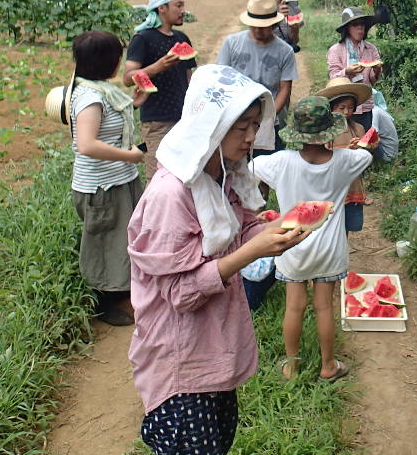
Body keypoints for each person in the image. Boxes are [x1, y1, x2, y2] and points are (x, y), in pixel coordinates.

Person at [127, 64, 306, 455]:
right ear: (210, 124)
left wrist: (280, 232)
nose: (250, 136)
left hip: (213, 350)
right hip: (182, 366)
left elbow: (240, 231)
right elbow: (180, 294)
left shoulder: (220, 175)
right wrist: (250, 252)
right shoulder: (170, 197)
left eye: (256, 125)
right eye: (240, 126)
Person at [253, 96, 372, 382]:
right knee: (324, 307)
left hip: (292, 246)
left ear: (296, 133)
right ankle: (328, 365)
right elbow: (367, 155)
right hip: (329, 250)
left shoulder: (281, 162)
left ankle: (292, 366)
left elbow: (253, 166)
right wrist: (352, 145)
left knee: (294, 307)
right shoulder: (345, 161)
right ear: (329, 131)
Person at [69, 30, 147, 326]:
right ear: (108, 61)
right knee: (105, 243)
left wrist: (135, 103)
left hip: (119, 179)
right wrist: (130, 155)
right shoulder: (89, 97)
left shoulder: (101, 89)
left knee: (120, 239)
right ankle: (105, 304)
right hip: (101, 187)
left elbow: (110, 124)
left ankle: (122, 293)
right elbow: (86, 144)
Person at [123, 0, 197, 176]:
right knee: (157, 176)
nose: (183, 11)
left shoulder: (183, 39)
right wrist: (158, 67)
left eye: (183, 6)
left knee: (184, 175)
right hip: (156, 122)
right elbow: (127, 78)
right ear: (161, 8)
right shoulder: (143, 38)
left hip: (183, 120)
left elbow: (189, 80)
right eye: (178, 6)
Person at [216, 0, 298, 151]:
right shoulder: (232, 44)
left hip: (269, 121)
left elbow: (285, 89)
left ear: (274, 25)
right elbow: (221, 79)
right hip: (235, 117)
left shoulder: (285, 51)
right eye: (254, 25)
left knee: (268, 167)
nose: (258, 30)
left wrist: (267, 115)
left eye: (264, 27)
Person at [316, 77, 373, 232]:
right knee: (329, 225)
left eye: (350, 108)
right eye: (341, 108)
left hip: (352, 184)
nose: (346, 112)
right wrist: (347, 150)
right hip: (331, 185)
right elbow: (321, 156)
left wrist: (369, 146)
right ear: (330, 108)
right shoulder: (323, 131)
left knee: (348, 225)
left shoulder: (358, 128)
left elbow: (364, 157)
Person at [326, 6, 382, 131]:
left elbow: (372, 80)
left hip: (365, 104)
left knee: (364, 139)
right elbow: (333, 78)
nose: (360, 28)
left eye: (362, 25)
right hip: (342, 107)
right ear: (347, 28)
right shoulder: (336, 50)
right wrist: (347, 72)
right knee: (343, 140)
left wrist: (377, 70)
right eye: (355, 25)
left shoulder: (371, 49)